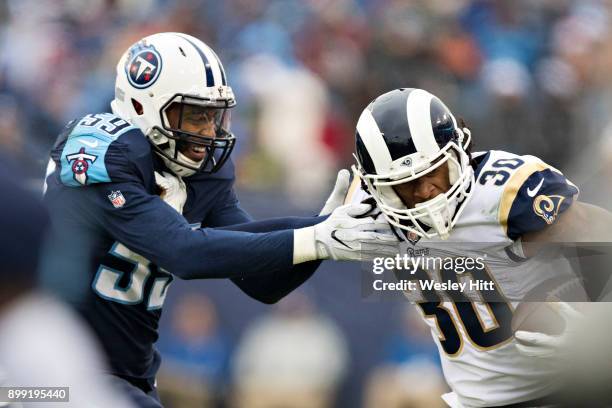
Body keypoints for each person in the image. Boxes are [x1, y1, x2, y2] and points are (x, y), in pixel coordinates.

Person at [42, 32, 398, 408]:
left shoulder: (198, 170)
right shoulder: (101, 151)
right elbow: (184, 252)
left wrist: (324, 229)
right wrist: (315, 237)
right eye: (195, 116)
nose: (208, 133)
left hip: (129, 374)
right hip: (53, 373)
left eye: (213, 117)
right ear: (142, 104)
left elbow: (263, 283)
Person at [349, 88, 612, 407]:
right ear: (377, 187)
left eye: (434, 170)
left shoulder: (502, 191)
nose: (426, 191)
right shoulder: (364, 215)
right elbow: (277, 256)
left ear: (458, 152)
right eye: (405, 184)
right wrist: (308, 243)